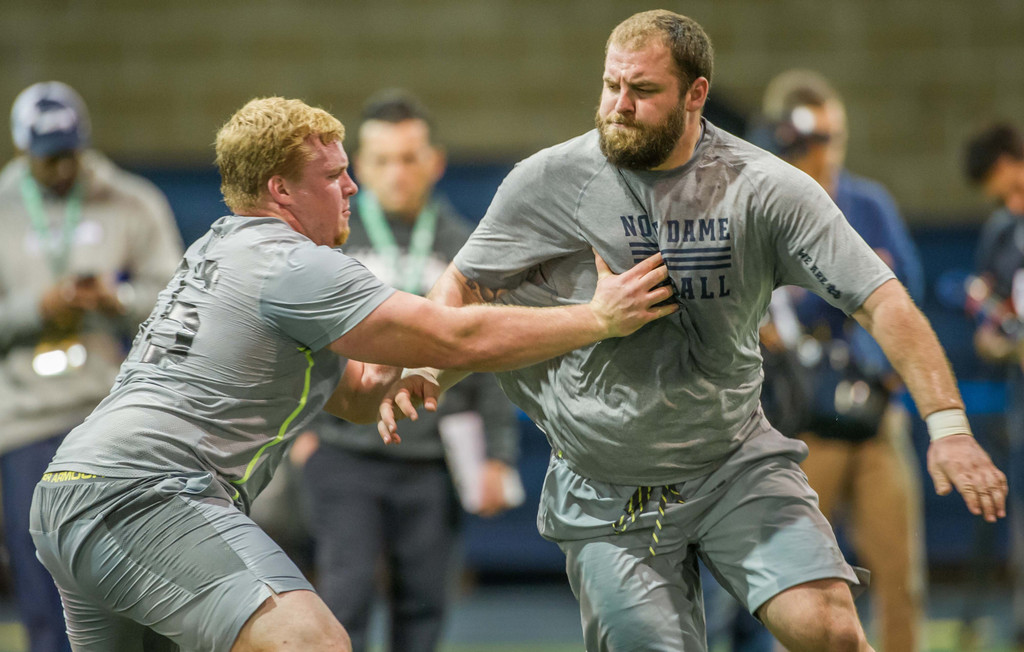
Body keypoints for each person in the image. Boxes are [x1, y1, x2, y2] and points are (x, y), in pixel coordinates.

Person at [380, 11, 1008, 652]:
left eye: (644, 91)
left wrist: (949, 427)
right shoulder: (549, 181)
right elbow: (463, 284)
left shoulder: (763, 188)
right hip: (605, 484)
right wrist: (426, 363)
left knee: (830, 628)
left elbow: (885, 302)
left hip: (732, 462)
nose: (619, 106)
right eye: (610, 85)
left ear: (695, 95)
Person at [27, 95, 675, 652]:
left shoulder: (220, 246)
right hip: (144, 495)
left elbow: (362, 397)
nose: (353, 188)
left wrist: (428, 374)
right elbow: (459, 333)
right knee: (318, 641)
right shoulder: (294, 266)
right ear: (281, 189)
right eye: (334, 174)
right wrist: (599, 320)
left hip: (69, 491)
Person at [299, 90, 521, 652]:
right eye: (381, 161)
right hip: (344, 452)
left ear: (435, 162)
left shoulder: (467, 247)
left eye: (410, 158)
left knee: (423, 610)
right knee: (342, 603)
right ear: (357, 169)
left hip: (431, 461)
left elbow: (488, 353)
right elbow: (290, 339)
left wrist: (497, 456)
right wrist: (300, 433)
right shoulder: (329, 242)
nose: (397, 174)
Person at [0, 81, 183, 652]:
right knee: (44, 598)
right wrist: (39, 309)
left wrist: (118, 302)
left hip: (109, 420)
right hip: (27, 421)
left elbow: (179, 303)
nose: (60, 169)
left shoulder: (131, 201)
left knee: (131, 592)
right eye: (46, 157)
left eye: (69, 153)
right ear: (22, 149)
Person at [758, 70, 927, 651]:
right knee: (800, 583)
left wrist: (882, 364)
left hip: (877, 415)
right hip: (808, 423)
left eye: (833, 136)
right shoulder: (770, 208)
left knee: (900, 578)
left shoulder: (869, 205)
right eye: (814, 138)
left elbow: (907, 295)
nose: (825, 151)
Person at [964, 122, 1024, 648]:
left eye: (1017, 190)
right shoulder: (1003, 231)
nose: (1013, 203)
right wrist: (999, 339)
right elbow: (987, 304)